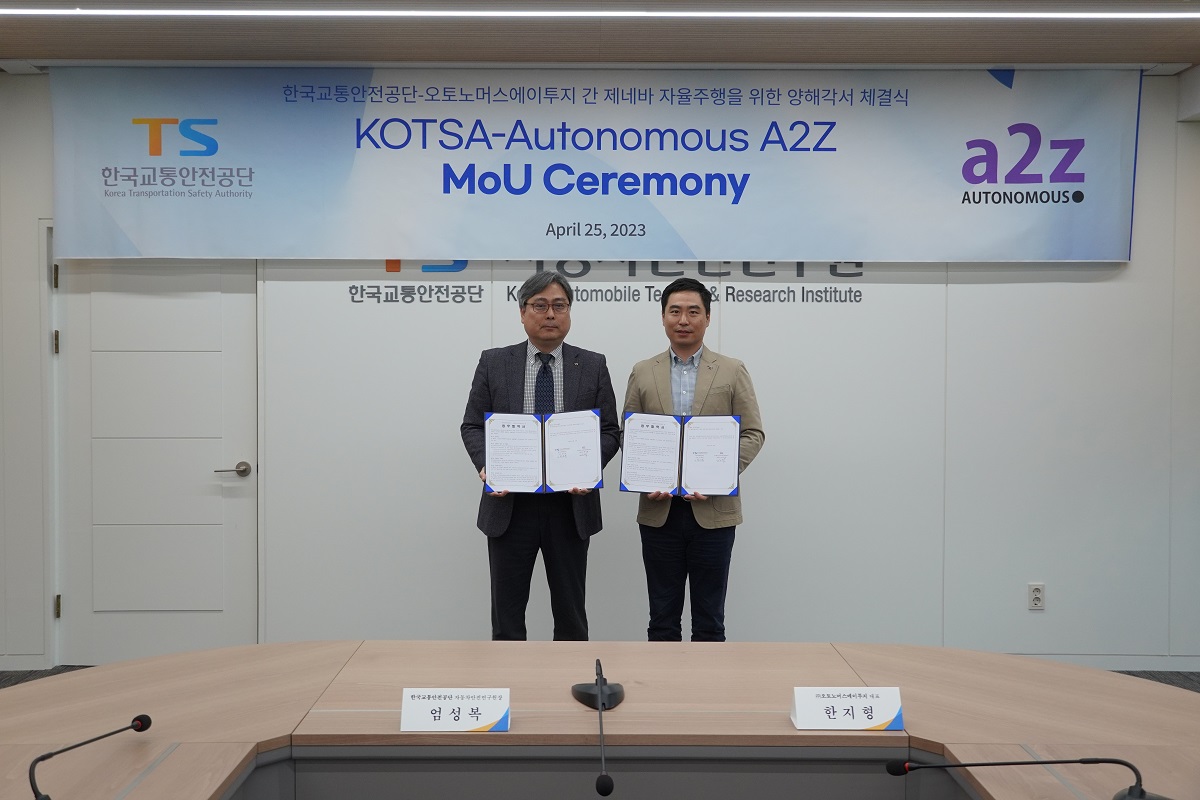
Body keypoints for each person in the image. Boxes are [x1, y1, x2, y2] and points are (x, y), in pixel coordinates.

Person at [461, 272, 620, 641]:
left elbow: (610, 431)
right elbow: (472, 425)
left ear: (569, 312)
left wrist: (588, 468)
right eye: (540, 305)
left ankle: (570, 676)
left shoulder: (592, 364)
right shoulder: (494, 362)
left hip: (570, 506)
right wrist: (488, 466)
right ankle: (510, 675)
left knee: (571, 616)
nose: (550, 314)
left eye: (559, 306)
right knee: (507, 617)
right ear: (522, 312)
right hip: (510, 506)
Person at [623, 278, 765, 642]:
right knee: (662, 620)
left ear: (708, 317)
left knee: (709, 621)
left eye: (693, 311)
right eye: (675, 311)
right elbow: (629, 434)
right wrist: (645, 476)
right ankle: (662, 681)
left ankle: (709, 681)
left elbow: (752, 433)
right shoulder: (643, 370)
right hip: (659, 511)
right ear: (663, 317)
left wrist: (718, 475)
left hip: (714, 512)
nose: (683, 320)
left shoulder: (732, 369)